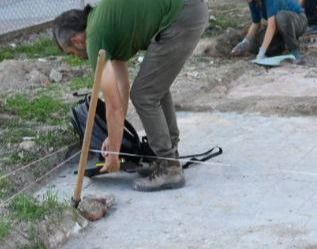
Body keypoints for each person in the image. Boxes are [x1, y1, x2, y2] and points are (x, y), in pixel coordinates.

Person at [53, 0, 209, 192]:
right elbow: (121, 88)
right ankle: (168, 156)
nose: (77, 57)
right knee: (154, 88)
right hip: (187, 10)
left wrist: (113, 154)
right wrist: (113, 137)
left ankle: (169, 168)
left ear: (76, 40)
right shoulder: (105, 24)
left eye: (72, 53)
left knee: (145, 94)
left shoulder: (94, 38)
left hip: (181, 15)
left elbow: (113, 106)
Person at [231, 0, 308, 62]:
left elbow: (272, 26)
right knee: (258, 42)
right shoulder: (252, 2)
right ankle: (282, 45)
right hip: (280, 28)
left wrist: (261, 52)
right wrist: (245, 42)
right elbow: (256, 23)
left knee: (281, 17)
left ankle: (294, 50)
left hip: (298, 21)